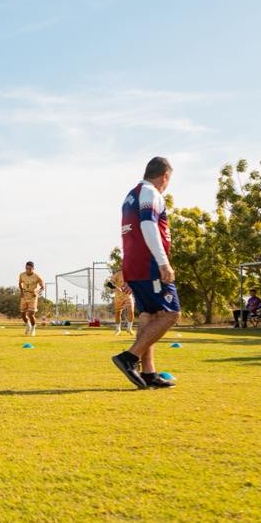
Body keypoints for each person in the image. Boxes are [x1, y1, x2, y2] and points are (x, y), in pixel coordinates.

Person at [112, 156, 179, 390]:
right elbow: (148, 226)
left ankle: (149, 372)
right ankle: (129, 357)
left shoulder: (132, 195)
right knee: (171, 313)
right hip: (149, 265)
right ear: (165, 176)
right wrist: (163, 262)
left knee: (150, 314)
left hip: (135, 264)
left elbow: (131, 234)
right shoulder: (151, 193)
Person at [18, 261, 45, 336]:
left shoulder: (37, 276)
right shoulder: (21, 275)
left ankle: (33, 329)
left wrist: (37, 292)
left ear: (33, 268)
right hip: (24, 295)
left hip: (33, 296)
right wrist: (21, 292)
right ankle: (28, 326)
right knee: (23, 315)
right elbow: (20, 283)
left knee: (30, 314)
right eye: (26, 268)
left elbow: (43, 287)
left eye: (30, 269)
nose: (28, 270)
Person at [111, 269, 135, 335]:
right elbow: (109, 283)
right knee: (118, 312)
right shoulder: (118, 274)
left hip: (128, 296)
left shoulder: (132, 273)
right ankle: (118, 329)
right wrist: (115, 287)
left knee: (131, 311)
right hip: (118, 297)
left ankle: (129, 328)